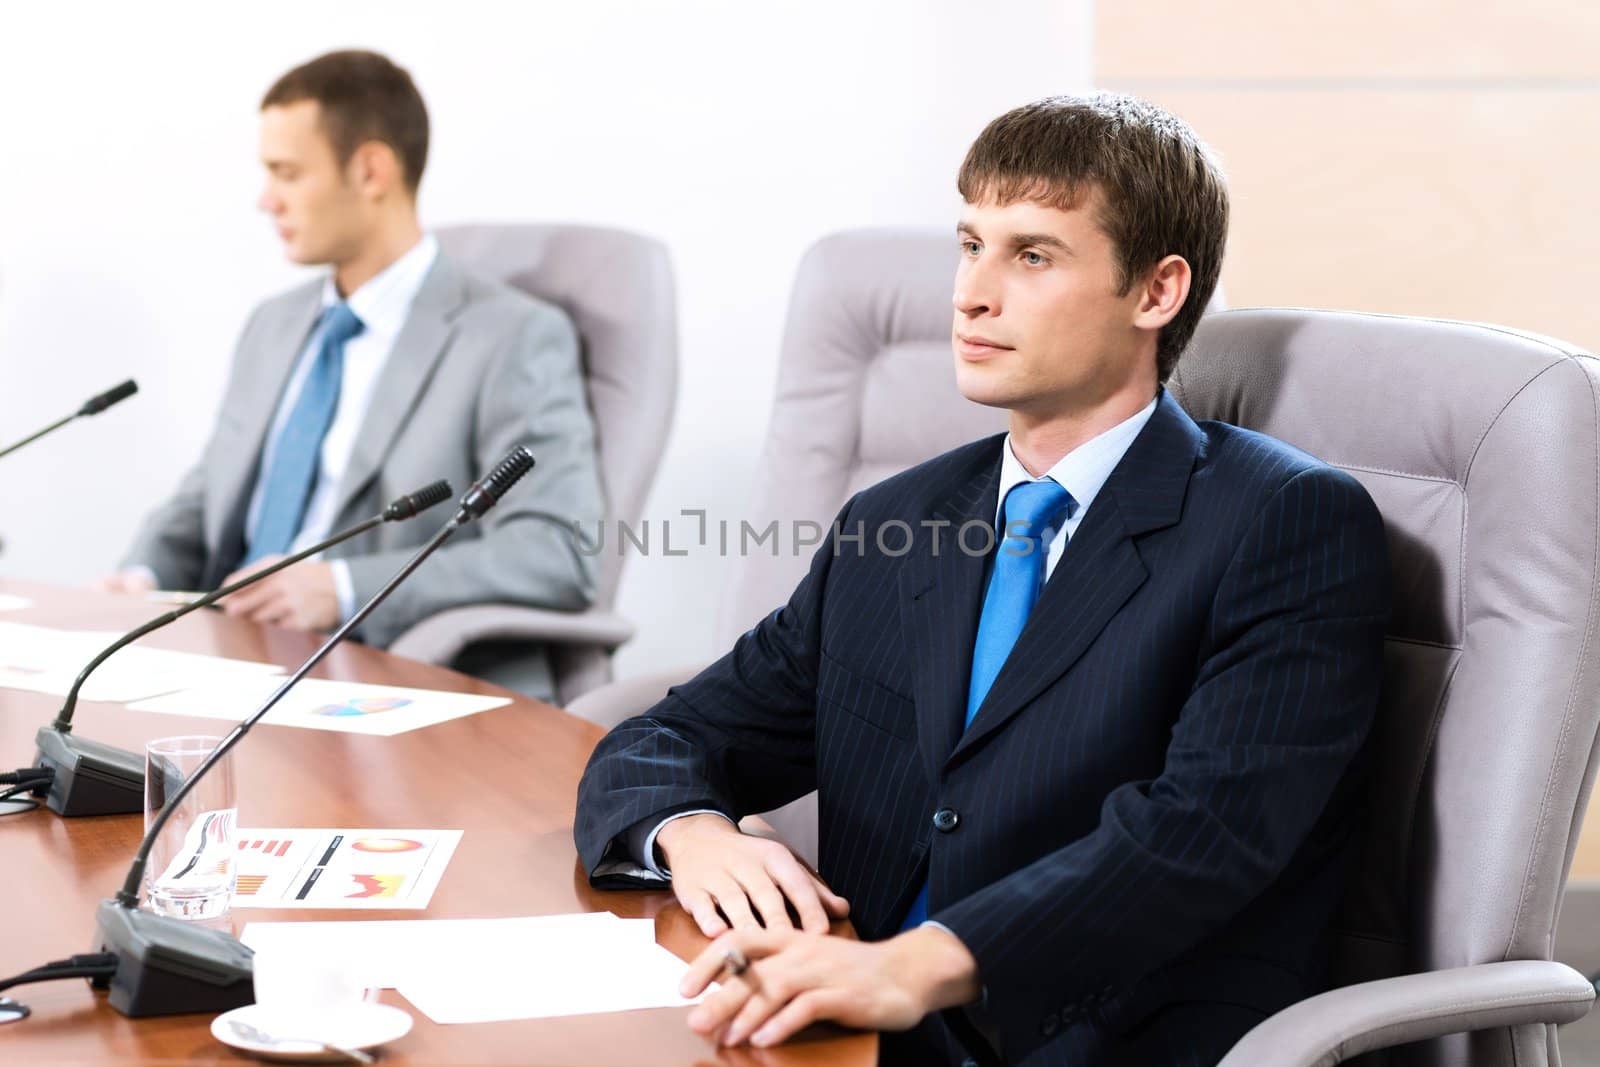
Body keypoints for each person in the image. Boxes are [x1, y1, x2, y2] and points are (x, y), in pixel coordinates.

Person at [576, 93, 1389, 1065]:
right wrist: (693, 831)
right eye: (970, 245)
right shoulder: (893, 522)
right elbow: (669, 735)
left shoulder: (1284, 521)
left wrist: (920, 963)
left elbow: (1206, 832)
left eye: (1031, 255)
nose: (970, 293)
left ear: (1156, 291)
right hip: (848, 1024)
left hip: (1089, 1035)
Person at [97, 50, 603, 700]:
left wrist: (341, 587)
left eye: (286, 173)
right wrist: (142, 573)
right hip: (218, 660)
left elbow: (556, 551)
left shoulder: (510, 336)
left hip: (372, 677)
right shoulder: (273, 324)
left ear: (370, 169)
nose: (265, 199)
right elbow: (209, 496)